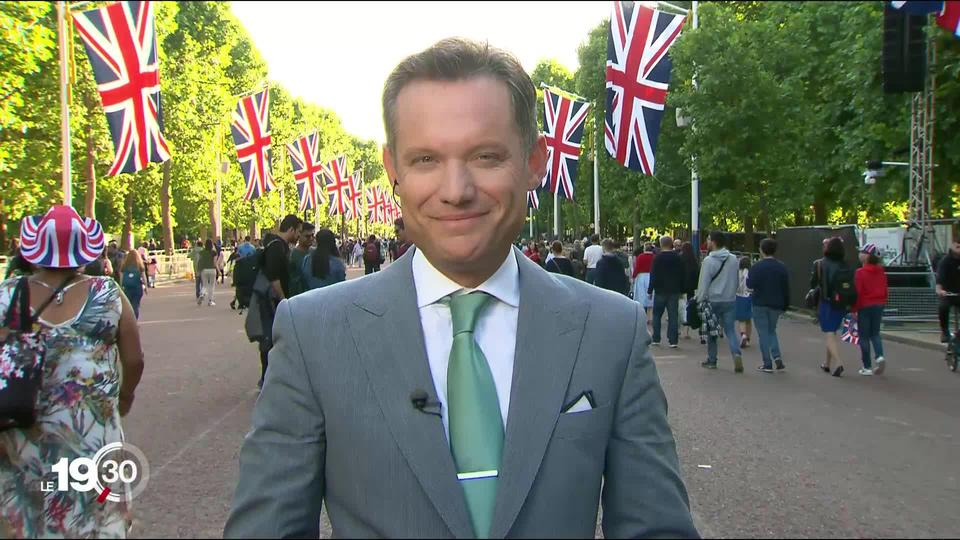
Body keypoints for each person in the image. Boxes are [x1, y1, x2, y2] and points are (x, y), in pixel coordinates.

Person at [225, 37, 696, 539]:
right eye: (426, 159)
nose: (455, 190)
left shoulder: (610, 330)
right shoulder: (313, 333)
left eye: (486, 156)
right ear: (393, 170)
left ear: (536, 161)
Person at [0, 205, 144, 538]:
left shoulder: (8, 295)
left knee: (30, 518)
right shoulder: (107, 293)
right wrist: (123, 399)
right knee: (97, 514)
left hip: (23, 432)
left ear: (35, 252)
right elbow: (134, 360)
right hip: (91, 434)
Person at [250, 214, 302, 388]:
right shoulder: (277, 247)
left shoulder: (276, 245)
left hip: (270, 299)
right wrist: (282, 298)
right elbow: (274, 277)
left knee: (271, 338)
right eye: (298, 232)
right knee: (269, 339)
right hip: (270, 300)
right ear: (291, 229)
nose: (298, 237)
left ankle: (269, 377)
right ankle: (266, 378)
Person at [695, 231, 742, 373]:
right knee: (730, 330)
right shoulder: (733, 259)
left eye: (708, 239)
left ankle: (712, 360)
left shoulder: (708, 261)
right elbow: (736, 279)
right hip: (729, 299)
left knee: (712, 331)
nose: (707, 242)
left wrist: (700, 298)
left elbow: (703, 282)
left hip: (712, 301)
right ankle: (736, 353)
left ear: (713, 242)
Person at [747, 238, 790, 373]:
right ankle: (777, 357)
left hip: (760, 303)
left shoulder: (756, 267)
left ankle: (767, 363)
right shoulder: (781, 267)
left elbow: (750, 285)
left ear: (761, 250)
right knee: (772, 331)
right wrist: (785, 305)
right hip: (776, 304)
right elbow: (786, 288)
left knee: (763, 334)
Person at [817, 237, 854, 377]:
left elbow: (816, 282)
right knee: (832, 332)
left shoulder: (822, 264)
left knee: (829, 333)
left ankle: (838, 362)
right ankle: (827, 363)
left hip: (827, 301)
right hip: (842, 301)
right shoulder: (846, 264)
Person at [853, 243, 888, 376]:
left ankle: (867, 366)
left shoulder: (860, 272)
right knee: (875, 333)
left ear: (866, 256)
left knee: (864, 336)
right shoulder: (881, 272)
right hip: (878, 304)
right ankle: (879, 356)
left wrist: (854, 309)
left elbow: (858, 292)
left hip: (864, 305)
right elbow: (885, 290)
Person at [648, 236, 685, 348]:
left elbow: (653, 274)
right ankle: (673, 340)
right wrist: (682, 289)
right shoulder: (678, 258)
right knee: (673, 315)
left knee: (657, 315)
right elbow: (682, 274)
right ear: (671, 244)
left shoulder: (657, 258)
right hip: (674, 291)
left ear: (661, 244)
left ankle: (656, 338)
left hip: (660, 290)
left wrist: (650, 289)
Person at [936, 238, 960, 343]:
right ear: (952, 246)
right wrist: (940, 291)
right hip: (948, 294)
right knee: (943, 307)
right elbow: (939, 282)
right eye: (958, 247)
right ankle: (945, 332)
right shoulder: (945, 261)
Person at [680, 242, 701, 342]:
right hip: (691, 288)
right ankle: (686, 331)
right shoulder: (694, 261)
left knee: (680, 308)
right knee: (688, 308)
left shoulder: (680, 259)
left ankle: (679, 329)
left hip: (681, 287)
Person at [288, 222, 315, 298]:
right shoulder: (292, 255)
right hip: (299, 296)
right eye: (307, 236)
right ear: (299, 236)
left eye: (312, 235)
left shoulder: (315, 253)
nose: (311, 238)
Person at [119, 249, 147, 319]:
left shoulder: (124, 266)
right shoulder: (139, 265)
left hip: (127, 288)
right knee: (136, 305)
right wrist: (146, 286)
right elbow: (144, 277)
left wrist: (121, 286)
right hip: (137, 287)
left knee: (129, 305)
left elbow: (121, 278)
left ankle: (129, 319)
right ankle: (135, 320)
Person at [735, 256, 753, 349]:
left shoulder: (738, 273)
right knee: (748, 319)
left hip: (739, 296)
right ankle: (748, 340)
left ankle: (743, 335)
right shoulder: (751, 273)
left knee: (741, 319)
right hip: (749, 296)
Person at [197, 239, 218, 307]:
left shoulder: (201, 252)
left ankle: (202, 294)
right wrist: (218, 271)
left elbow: (200, 261)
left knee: (204, 285)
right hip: (212, 270)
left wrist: (199, 270)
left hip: (204, 270)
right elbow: (215, 263)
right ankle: (210, 301)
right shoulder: (214, 252)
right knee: (212, 285)